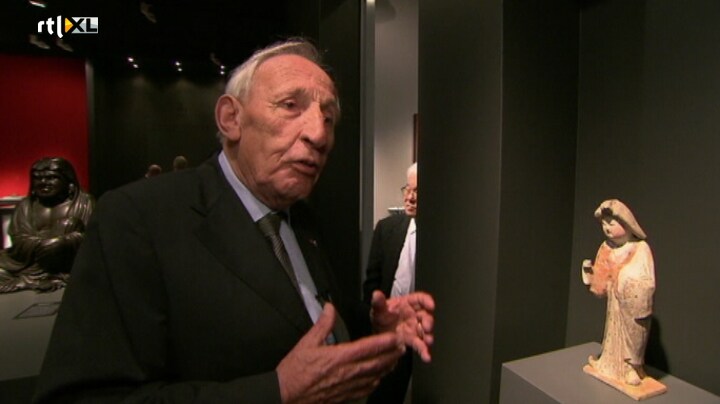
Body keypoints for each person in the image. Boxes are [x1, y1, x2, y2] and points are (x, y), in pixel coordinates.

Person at [34, 38, 434, 403]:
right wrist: (276, 392)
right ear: (231, 119)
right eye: (290, 106)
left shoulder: (303, 219)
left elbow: (305, 314)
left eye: (328, 117)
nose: (318, 134)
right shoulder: (136, 219)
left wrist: (370, 325)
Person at [582, 199, 655, 386]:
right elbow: (600, 286)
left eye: (611, 223)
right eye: (603, 224)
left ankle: (632, 367)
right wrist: (589, 274)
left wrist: (627, 278)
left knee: (634, 333)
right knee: (612, 335)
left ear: (627, 223)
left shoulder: (640, 248)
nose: (607, 228)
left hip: (632, 307)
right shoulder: (606, 248)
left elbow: (646, 280)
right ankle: (608, 364)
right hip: (614, 304)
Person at [362, 162, 417, 403]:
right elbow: (372, 280)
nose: (410, 198)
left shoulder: (443, 237)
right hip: (390, 329)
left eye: (417, 191)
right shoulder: (386, 229)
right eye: (407, 189)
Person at [0, 157, 94, 293]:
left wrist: (64, 241)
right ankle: (41, 280)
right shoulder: (26, 206)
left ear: (68, 181)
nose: (43, 182)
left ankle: (50, 278)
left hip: (67, 263)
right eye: (38, 178)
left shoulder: (84, 203)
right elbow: (18, 237)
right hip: (29, 264)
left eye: (51, 178)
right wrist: (43, 243)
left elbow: (91, 237)